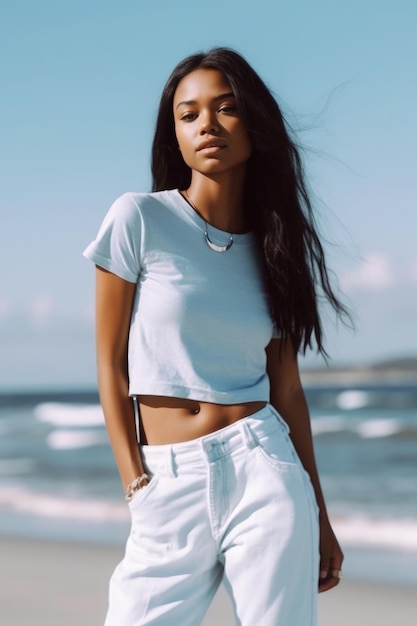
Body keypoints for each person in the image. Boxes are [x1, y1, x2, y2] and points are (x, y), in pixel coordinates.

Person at [83, 46, 347, 626]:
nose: (206, 124)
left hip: (266, 470)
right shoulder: (138, 220)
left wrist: (321, 515)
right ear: (173, 134)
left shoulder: (277, 250)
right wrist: (136, 483)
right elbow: (110, 365)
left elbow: (289, 392)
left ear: (254, 122)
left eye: (225, 108)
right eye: (188, 114)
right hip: (167, 482)